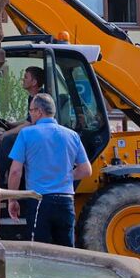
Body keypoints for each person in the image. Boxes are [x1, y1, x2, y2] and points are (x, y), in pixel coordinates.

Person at [7, 92, 92, 247]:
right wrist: (65, 176)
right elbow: (86, 170)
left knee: (38, 255)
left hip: (39, 200)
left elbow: (15, 172)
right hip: (66, 202)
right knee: (66, 254)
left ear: (39, 111)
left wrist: (12, 198)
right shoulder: (72, 135)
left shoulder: (26, 133)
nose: (30, 114)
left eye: (31, 110)